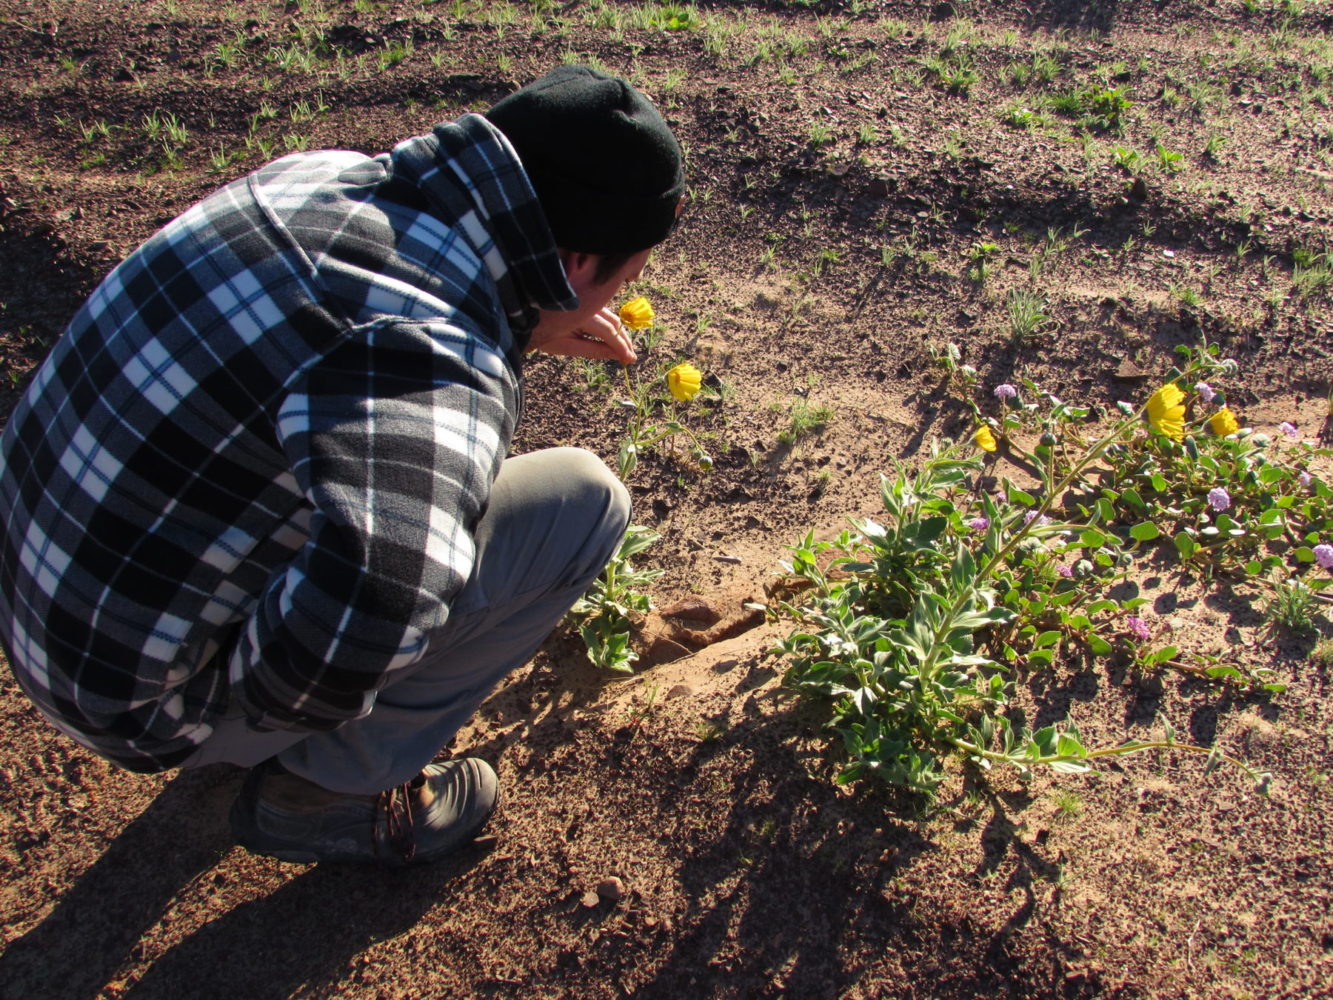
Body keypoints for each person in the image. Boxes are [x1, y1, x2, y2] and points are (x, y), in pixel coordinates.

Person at [0, 65, 685, 865]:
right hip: (126, 707)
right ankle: (323, 788)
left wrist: (522, 320)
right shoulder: (433, 357)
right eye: (625, 276)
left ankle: (219, 675)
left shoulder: (315, 175)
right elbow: (380, 600)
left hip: (35, 592)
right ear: (576, 262)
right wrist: (260, 702)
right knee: (582, 505)